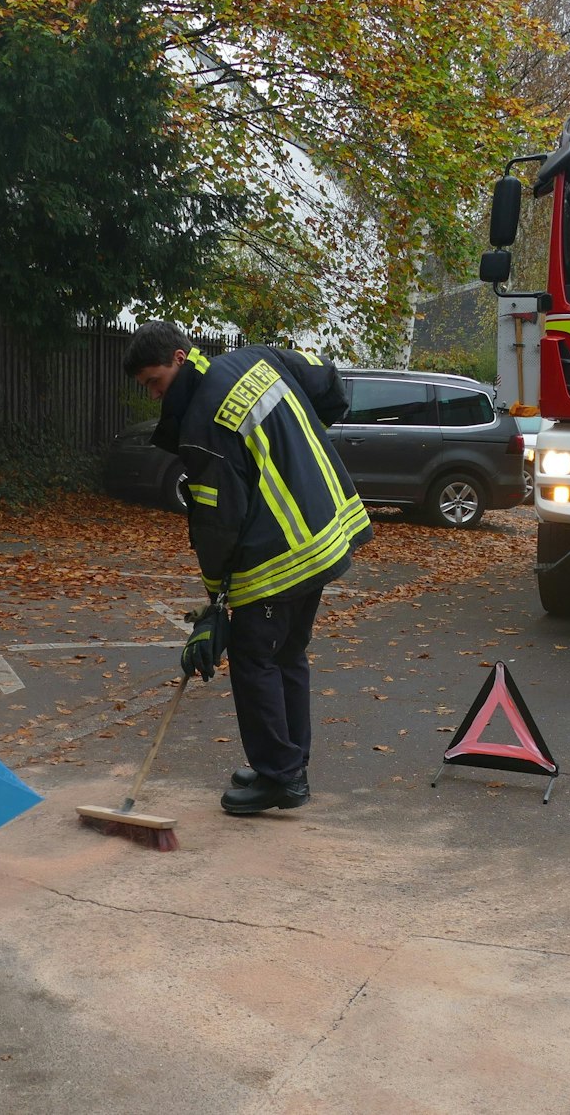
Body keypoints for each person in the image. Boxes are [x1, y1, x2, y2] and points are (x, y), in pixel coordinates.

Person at [122, 321, 371, 816]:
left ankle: (281, 777)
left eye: (155, 382)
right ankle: (289, 764)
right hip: (326, 529)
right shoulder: (256, 359)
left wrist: (215, 603)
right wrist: (310, 437)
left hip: (281, 555)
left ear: (178, 358)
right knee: (287, 653)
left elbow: (218, 524)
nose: (153, 394)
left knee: (254, 657)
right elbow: (325, 376)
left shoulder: (202, 423)